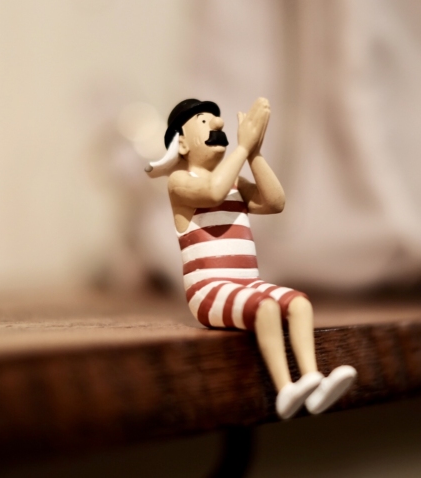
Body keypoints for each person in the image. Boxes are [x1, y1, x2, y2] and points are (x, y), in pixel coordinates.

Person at [145, 97, 357, 419]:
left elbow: (275, 202)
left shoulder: (234, 183)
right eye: (204, 121)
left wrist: (255, 152)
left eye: (216, 119)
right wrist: (242, 148)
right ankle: (285, 389)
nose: (217, 125)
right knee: (266, 308)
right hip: (208, 290)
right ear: (183, 143)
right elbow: (213, 192)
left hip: (247, 283)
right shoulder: (180, 183)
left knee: (299, 304)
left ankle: (313, 380)